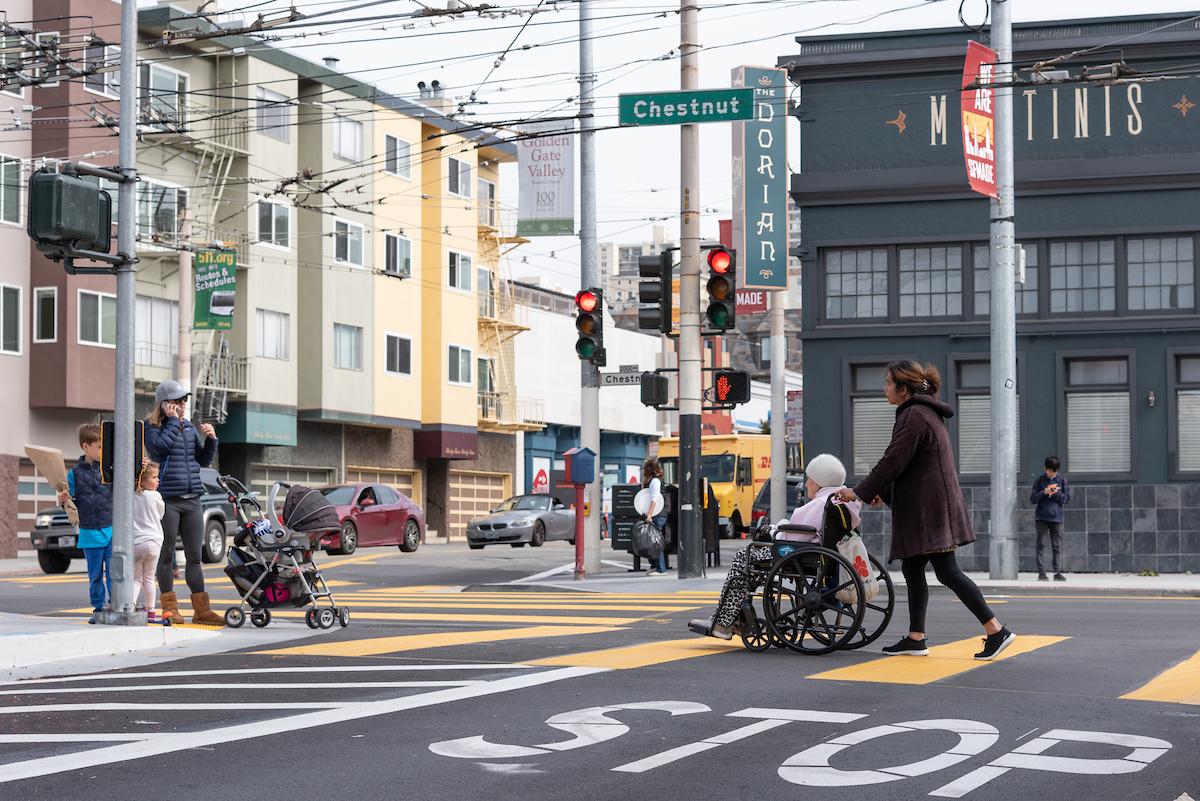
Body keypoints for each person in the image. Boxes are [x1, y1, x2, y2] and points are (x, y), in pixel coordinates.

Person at [835, 360, 1016, 661]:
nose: (885, 389)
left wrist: (859, 491)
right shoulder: (924, 411)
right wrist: (879, 490)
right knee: (913, 567)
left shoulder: (914, 415)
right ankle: (916, 638)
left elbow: (893, 461)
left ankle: (996, 630)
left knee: (948, 572)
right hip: (931, 505)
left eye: (888, 383)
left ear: (903, 389)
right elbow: (910, 465)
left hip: (929, 509)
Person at [690, 453, 861, 640]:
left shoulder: (818, 504)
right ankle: (736, 617)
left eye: (809, 480)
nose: (806, 484)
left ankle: (723, 622)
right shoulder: (845, 501)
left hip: (798, 554)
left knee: (743, 556)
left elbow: (791, 534)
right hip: (821, 554)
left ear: (820, 482)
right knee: (750, 565)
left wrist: (773, 530)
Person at [145, 379, 223, 626]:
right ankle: (170, 610)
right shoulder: (152, 427)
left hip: (192, 499)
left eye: (184, 400)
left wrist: (211, 440)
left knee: (194, 557)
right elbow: (159, 449)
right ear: (165, 404)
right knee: (166, 556)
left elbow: (201, 461)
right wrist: (174, 423)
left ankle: (202, 610)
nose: (182, 404)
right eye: (178, 401)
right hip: (169, 499)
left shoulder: (188, 427)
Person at [59, 424, 112, 624]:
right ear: (85, 446)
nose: (102, 451)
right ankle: (99, 608)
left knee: (115, 572)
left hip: (111, 529)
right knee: (95, 575)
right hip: (89, 533)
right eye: (99, 447)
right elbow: (69, 501)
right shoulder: (74, 474)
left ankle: (116, 604)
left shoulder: (110, 469)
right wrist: (63, 499)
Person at [132, 461, 166, 624]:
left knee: (136, 579)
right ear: (143, 481)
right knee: (149, 578)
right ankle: (151, 611)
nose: (158, 480)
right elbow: (160, 514)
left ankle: (129, 606)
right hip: (153, 541)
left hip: (136, 542)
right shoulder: (156, 496)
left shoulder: (132, 496)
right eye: (154, 477)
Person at [1031, 455, 1070, 582]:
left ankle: (1057, 572)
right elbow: (1032, 499)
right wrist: (1044, 492)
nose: (1049, 472)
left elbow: (1066, 499)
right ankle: (1041, 572)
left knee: (1057, 546)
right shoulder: (1039, 480)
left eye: (1052, 471)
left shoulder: (1062, 481)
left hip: (1057, 518)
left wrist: (1056, 493)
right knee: (1041, 545)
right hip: (1041, 517)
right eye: (1047, 470)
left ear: (1056, 470)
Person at [641, 458, 668, 576]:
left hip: (657, 514)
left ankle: (660, 569)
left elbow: (654, 498)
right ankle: (656, 566)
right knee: (653, 541)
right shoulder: (654, 480)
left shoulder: (654, 482)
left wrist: (650, 514)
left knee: (655, 542)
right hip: (656, 514)